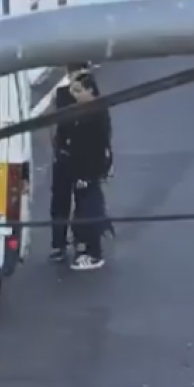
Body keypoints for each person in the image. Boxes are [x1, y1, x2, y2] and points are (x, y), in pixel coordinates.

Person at [61, 72, 113, 270]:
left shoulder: (95, 114)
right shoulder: (86, 111)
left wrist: (87, 174)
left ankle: (93, 252)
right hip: (82, 170)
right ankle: (88, 248)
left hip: (88, 170)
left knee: (88, 209)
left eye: (78, 91)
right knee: (86, 207)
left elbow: (95, 147)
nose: (74, 95)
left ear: (90, 89)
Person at [49, 63, 98, 261]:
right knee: (60, 202)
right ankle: (59, 244)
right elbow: (57, 125)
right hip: (65, 154)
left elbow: (101, 130)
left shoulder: (92, 93)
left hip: (83, 156)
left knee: (84, 202)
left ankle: (82, 241)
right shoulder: (62, 95)